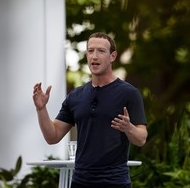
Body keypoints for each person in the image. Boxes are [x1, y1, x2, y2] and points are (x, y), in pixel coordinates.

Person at [33, 32, 147, 188]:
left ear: (112, 56)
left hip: (115, 182)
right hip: (80, 181)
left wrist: (129, 128)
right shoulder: (76, 96)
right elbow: (52, 136)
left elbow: (141, 139)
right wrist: (41, 109)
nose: (94, 56)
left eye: (101, 51)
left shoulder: (129, 93)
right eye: (90, 50)